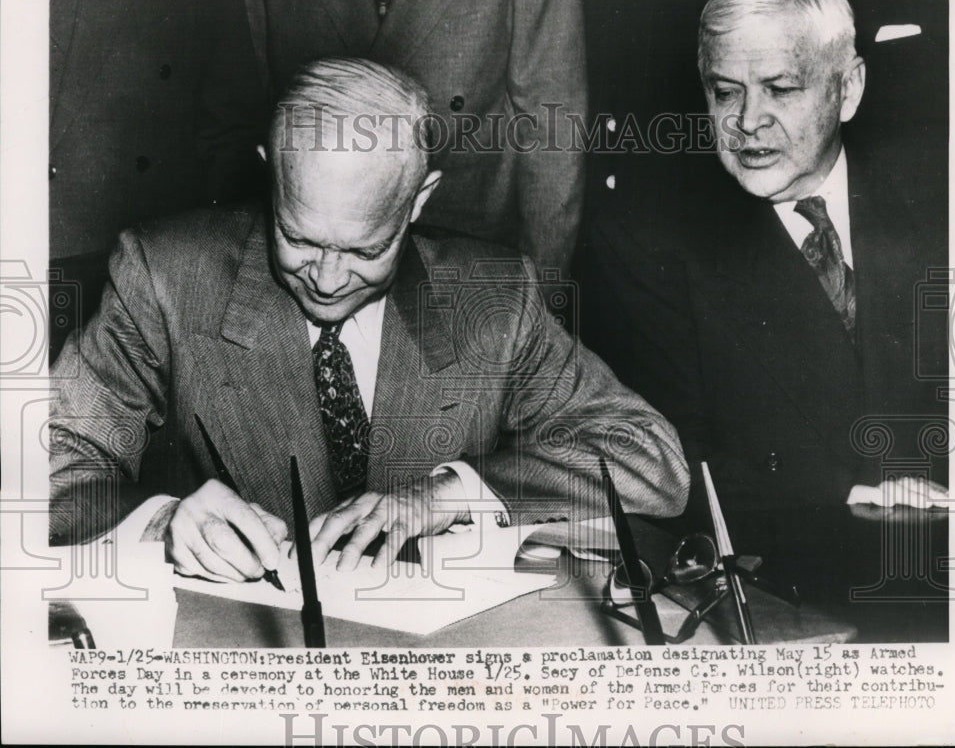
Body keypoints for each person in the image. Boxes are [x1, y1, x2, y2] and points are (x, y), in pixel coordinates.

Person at [49, 57, 689, 584]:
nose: (325, 280)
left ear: (419, 202)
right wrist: (162, 522)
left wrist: (448, 494)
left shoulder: (490, 297)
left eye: (363, 250)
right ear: (271, 175)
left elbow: (651, 459)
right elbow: (44, 469)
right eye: (297, 239)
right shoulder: (163, 277)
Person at [580, 0, 948, 588]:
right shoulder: (646, 236)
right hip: (784, 573)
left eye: (780, 88)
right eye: (726, 92)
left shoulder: (948, 198)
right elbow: (668, 460)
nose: (748, 121)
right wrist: (851, 489)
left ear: (848, 88)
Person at [202, 0, 587, 277]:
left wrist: (541, 298)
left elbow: (554, 133)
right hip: (309, 254)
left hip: (463, 253)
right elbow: (236, 113)